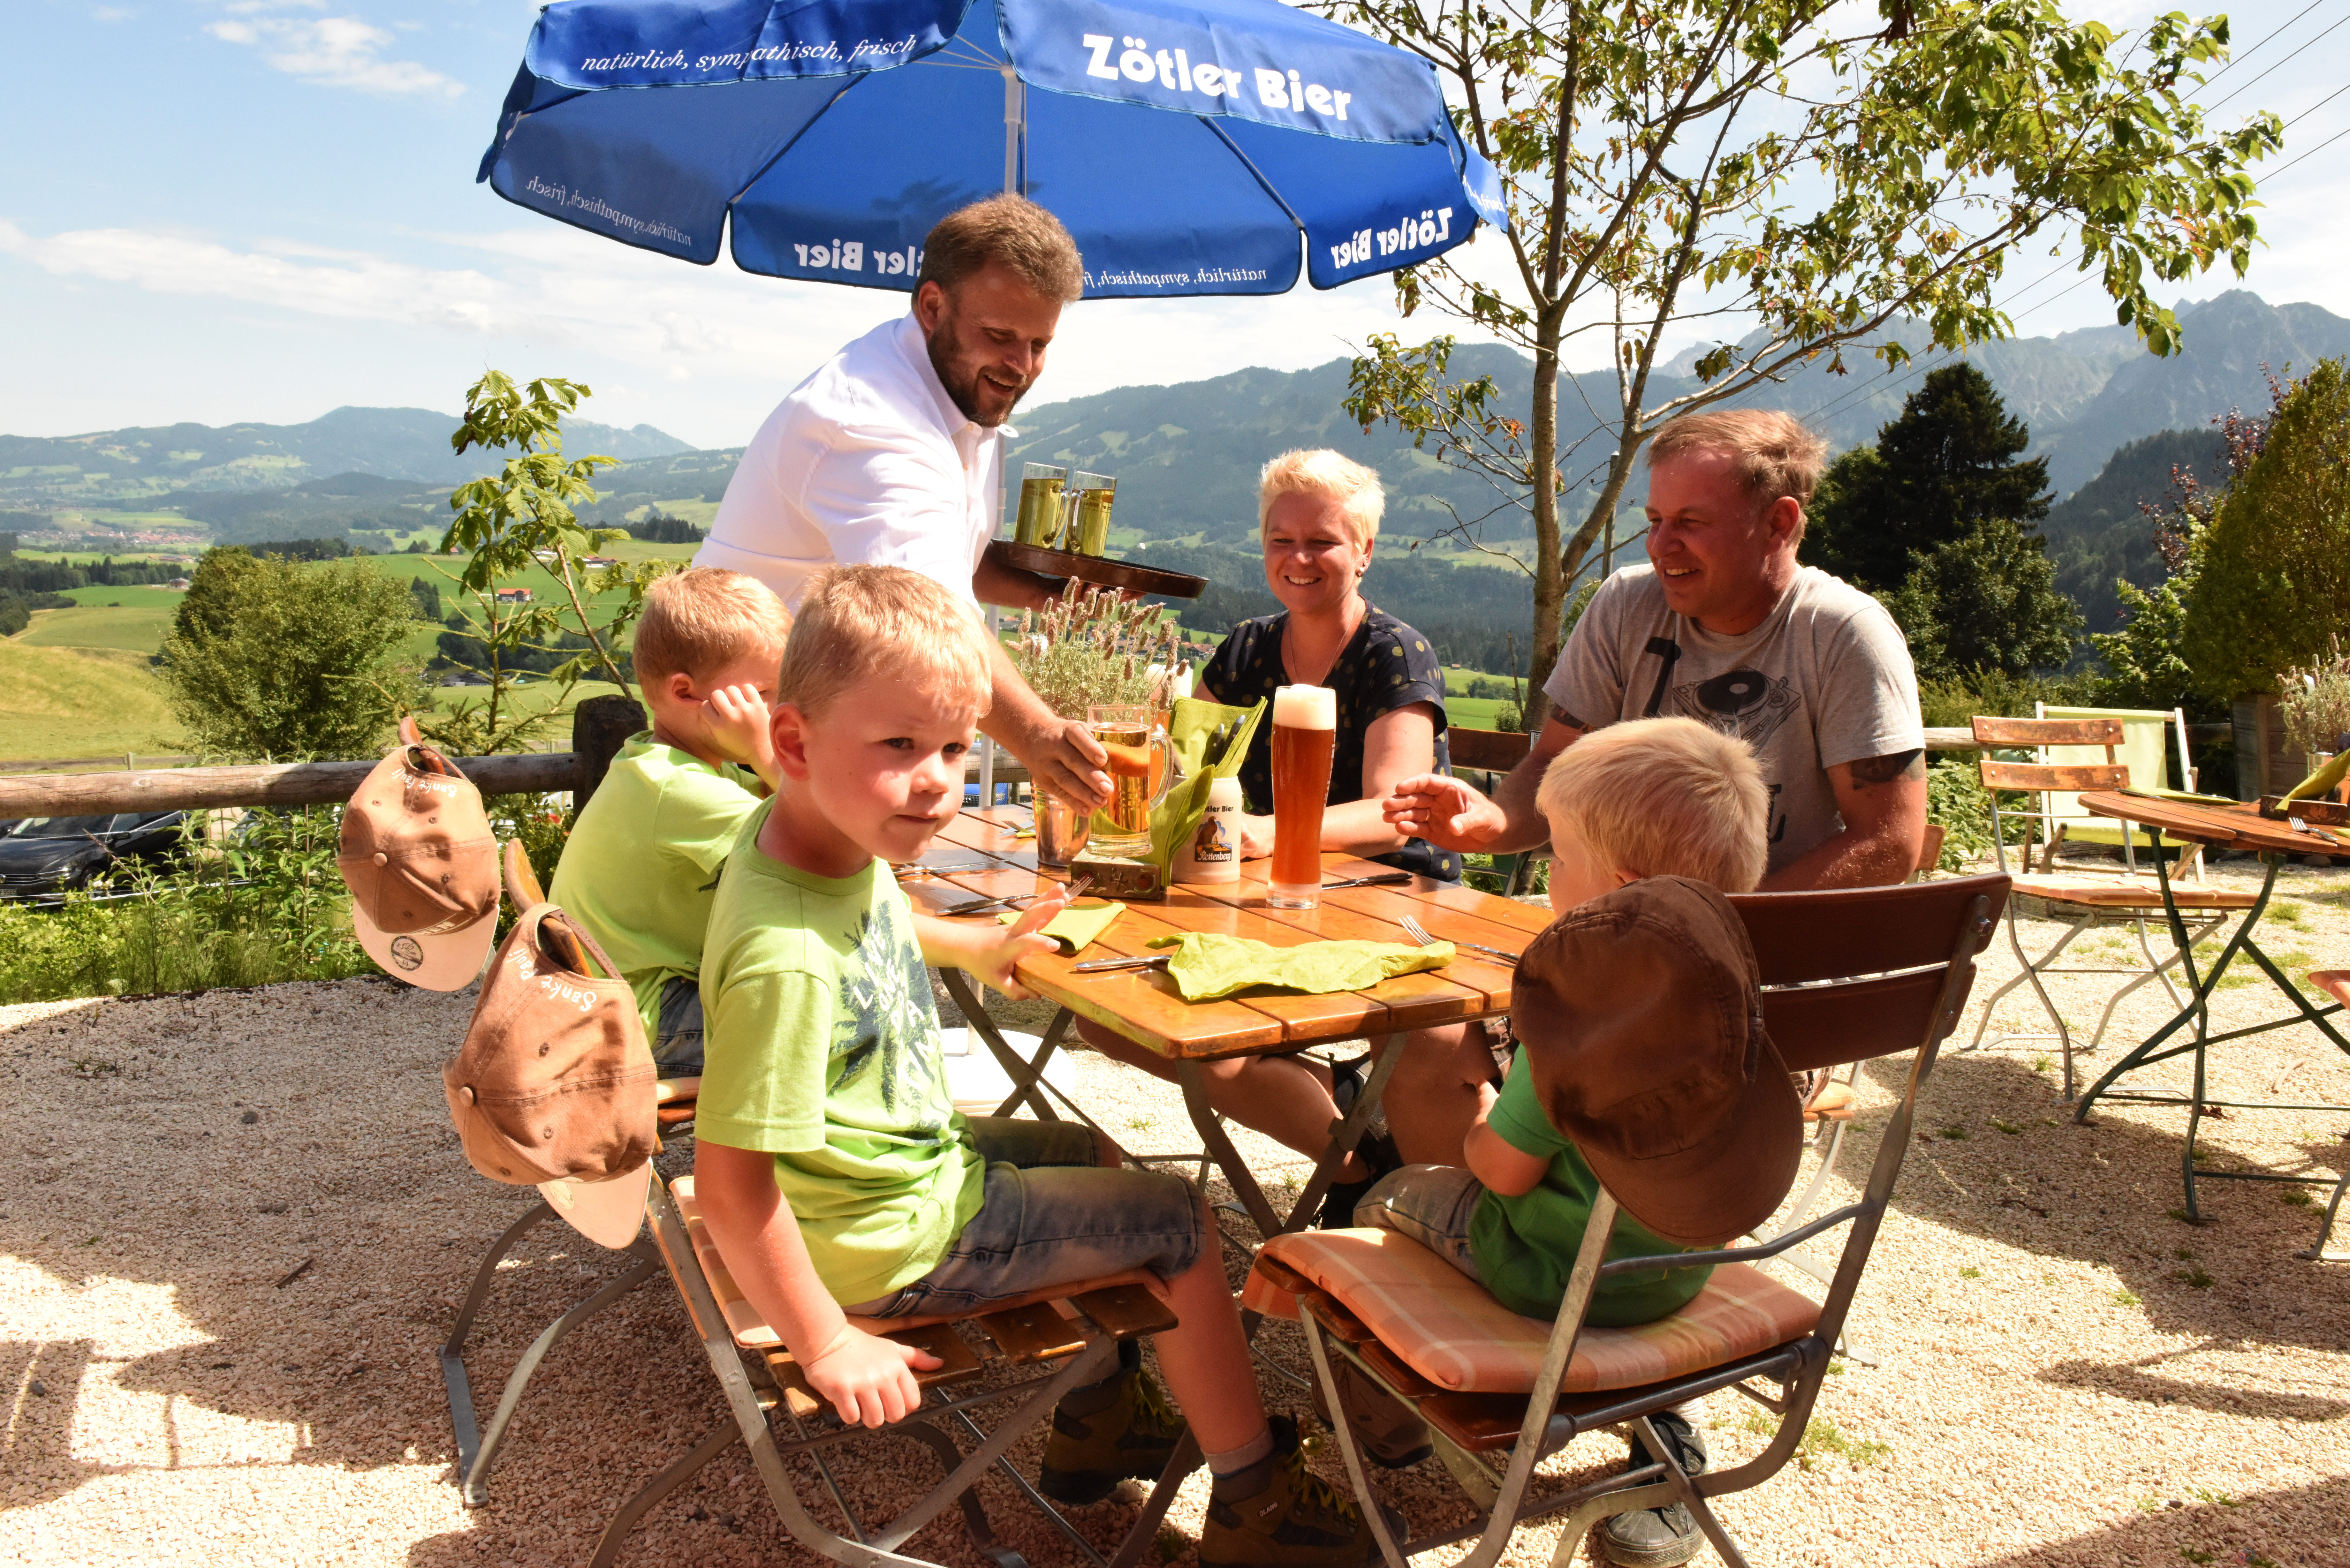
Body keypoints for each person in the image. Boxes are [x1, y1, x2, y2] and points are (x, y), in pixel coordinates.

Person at [691, 565, 1391, 1568]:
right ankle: (1256, 1500)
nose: (935, 779)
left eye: (951, 747)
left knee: (1089, 1149)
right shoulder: (784, 959)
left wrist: (973, 946)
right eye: (899, 747)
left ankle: (1104, 1416)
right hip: (890, 1238)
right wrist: (828, 1343)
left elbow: (878, 917)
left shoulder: (817, 842)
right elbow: (731, 1184)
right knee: (1179, 1219)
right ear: (794, 744)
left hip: (888, 1175)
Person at [1379, 407, 1928, 1165]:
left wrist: (1701, 943)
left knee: (1494, 1072)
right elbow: (1549, 767)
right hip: (1602, 957)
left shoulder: (1840, 634)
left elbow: (1888, 840)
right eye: (1654, 519)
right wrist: (1493, 823)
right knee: (1427, 1041)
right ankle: (1489, 1236)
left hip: (1747, 988)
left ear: (1778, 523)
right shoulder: (1625, 605)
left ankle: (1519, 1239)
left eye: (1691, 523)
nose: (1661, 545)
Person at [1349, 717, 1799, 1568]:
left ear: (1615, 892)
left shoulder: (1581, 1013)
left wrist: (1484, 1113)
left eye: (1555, 860)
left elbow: (1503, 1176)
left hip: (1547, 1279)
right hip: (1677, 1278)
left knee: (1386, 1199)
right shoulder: (1736, 1000)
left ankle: (1443, 1425)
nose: (1545, 879)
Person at [1076, 449, 1458, 1220]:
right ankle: (1354, 1159)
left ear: (1365, 550)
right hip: (1265, 900)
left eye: (1321, 540)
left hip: (1390, 902)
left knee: (1208, 1039)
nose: (1298, 558)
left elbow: (1395, 810)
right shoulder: (1249, 647)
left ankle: (1356, 1156)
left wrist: (1262, 832)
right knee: (1111, 1012)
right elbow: (1185, 762)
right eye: (1280, 540)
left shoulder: (1393, 651)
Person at [695, 194, 1114, 813]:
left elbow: (947, 558)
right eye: (999, 336)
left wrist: (1048, 594)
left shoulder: (960, 388)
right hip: (736, 754)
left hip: (811, 736)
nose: (1020, 367)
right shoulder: (872, 422)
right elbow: (932, 619)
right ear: (932, 306)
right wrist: (1039, 736)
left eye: (1038, 344)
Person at [547, 568, 791, 1075]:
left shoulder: (660, 764)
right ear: (686, 693)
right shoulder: (680, 789)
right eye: (764, 694)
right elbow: (817, 847)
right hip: (636, 1022)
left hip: (612, 1004)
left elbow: (787, 817)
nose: (780, 710)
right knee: (827, 1020)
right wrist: (768, 753)